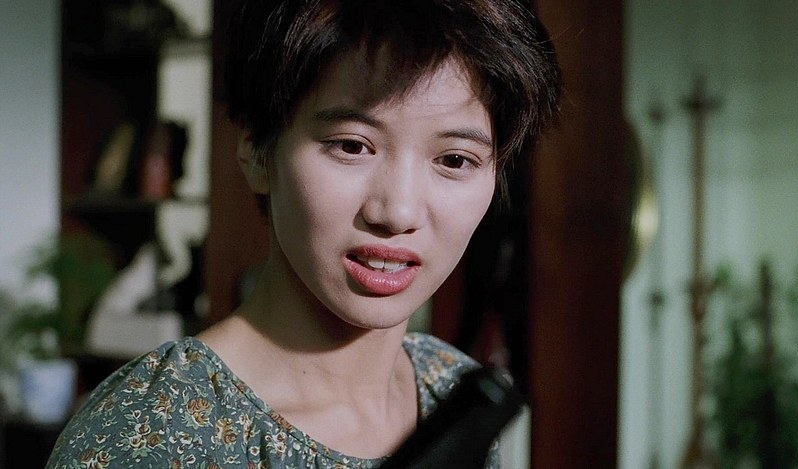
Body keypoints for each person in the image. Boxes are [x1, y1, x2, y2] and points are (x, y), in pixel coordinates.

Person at [47, 0, 561, 466]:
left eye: (455, 160)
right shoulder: (150, 431)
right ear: (257, 150)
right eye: (352, 146)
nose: (397, 211)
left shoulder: (454, 393)